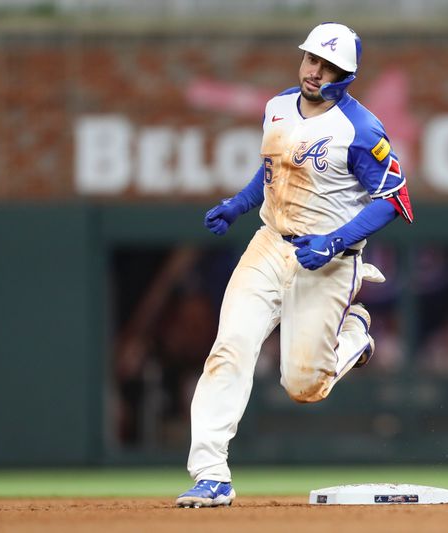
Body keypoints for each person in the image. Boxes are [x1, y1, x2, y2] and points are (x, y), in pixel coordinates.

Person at [175, 22, 413, 508]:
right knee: (230, 348)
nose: (314, 71)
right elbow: (272, 173)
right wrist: (239, 205)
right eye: (310, 59)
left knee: (304, 386)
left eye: (328, 66)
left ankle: (354, 336)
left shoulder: (360, 129)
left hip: (327, 259)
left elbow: (397, 198)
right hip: (268, 245)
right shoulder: (278, 107)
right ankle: (211, 473)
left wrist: (335, 241)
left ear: (346, 74)